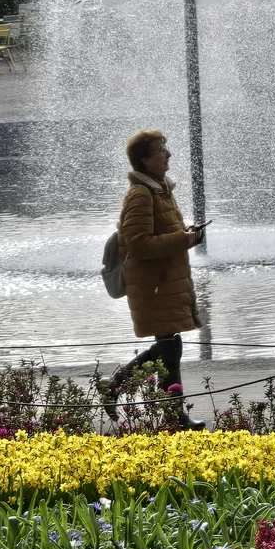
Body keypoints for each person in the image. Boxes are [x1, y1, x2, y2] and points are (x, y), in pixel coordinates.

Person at [99, 129, 206, 429]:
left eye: (166, 148)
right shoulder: (140, 194)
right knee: (171, 347)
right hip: (155, 287)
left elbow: (162, 235)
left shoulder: (160, 189)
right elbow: (139, 244)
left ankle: (165, 411)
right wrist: (181, 240)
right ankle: (169, 413)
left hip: (166, 283)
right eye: (161, 150)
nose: (168, 154)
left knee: (170, 347)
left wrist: (187, 236)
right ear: (145, 161)